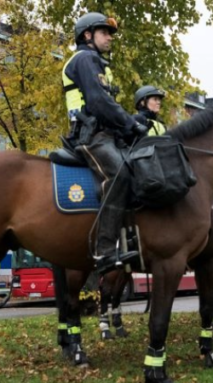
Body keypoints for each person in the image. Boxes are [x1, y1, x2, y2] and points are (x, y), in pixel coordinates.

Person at [62, 12, 148, 274]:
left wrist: (127, 125)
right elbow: (99, 103)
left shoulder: (97, 62)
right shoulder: (85, 58)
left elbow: (107, 104)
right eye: (104, 32)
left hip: (104, 132)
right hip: (90, 135)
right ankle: (105, 251)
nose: (110, 37)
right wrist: (130, 124)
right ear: (87, 35)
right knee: (119, 175)